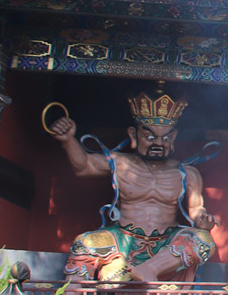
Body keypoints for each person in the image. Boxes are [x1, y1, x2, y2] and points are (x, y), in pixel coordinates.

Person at [51, 92, 217, 284]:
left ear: (174, 137)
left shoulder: (187, 172)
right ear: (133, 134)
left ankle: (147, 270)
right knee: (83, 244)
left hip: (167, 243)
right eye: (150, 136)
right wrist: (68, 140)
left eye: (165, 138)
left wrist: (203, 220)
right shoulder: (120, 163)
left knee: (203, 240)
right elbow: (84, 166)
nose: (158, 143)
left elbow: (196, 208)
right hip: (122, 238)